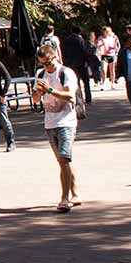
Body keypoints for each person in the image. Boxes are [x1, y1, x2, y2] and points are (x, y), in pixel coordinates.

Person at [34, 43, 79, 212]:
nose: (46, 66)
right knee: (63, 161)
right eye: (43, 64)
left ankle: (64, 198)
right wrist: (38, 92)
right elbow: (36, 99)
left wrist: (50, 90)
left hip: (66, 121)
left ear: (56, 57)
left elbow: (70, 95)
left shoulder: (66, 73)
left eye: (48, 62)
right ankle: (75, 193)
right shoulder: (41, 75)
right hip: (50, 122)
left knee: (64, 158)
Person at [61, 27, 95, 113]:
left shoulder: (67, 40)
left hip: (71, 64)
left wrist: (65, 63)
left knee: (76, 83)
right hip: (81, 64)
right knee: (86, 82)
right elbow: (85, 51)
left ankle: (78, 99)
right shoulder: (80, 40)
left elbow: (64, 52)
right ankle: (88, 99)